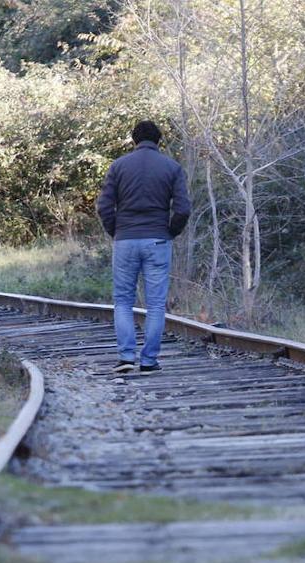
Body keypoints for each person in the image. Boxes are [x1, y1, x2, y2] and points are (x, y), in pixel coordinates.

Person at [96, 120, 191, 374]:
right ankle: (149, 360)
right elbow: (182, 209)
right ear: (159, 141)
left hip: (125, 239)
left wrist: (116, 231)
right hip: (158, 239)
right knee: (156, 304)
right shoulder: (172, 167)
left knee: (123, 301)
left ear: (134, 140)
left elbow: (104, 206)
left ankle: (126, 357)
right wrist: (170, 231)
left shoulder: (118, 166)